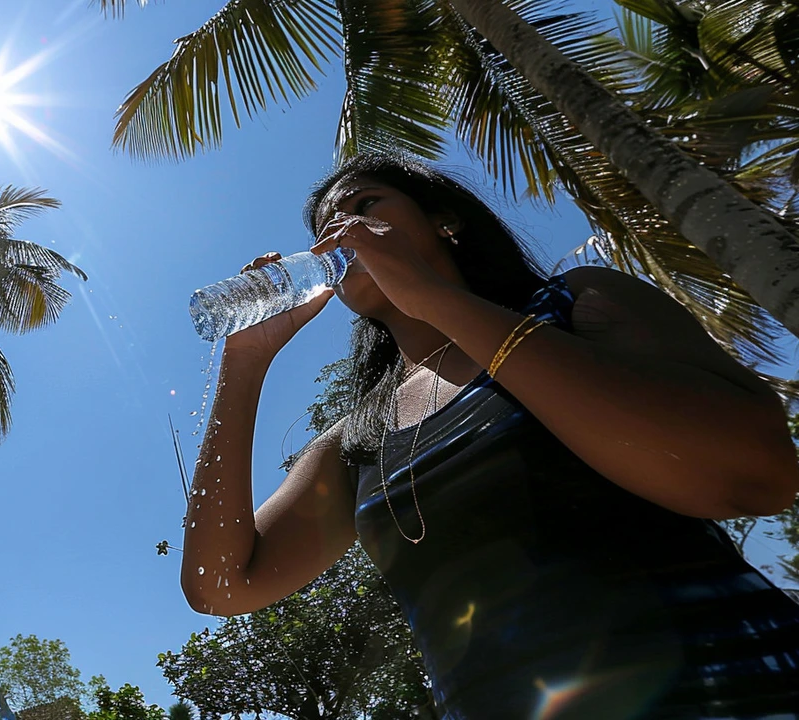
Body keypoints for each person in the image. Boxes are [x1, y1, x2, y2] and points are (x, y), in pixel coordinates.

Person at [182, 153, 799, 719]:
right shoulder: (356, 439)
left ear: (446, 223)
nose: (341, 232)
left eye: (365, 205)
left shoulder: (578, 305)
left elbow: (757, 473)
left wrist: (432, 299)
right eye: (327, 226)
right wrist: (246, 363)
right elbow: (219, 585)